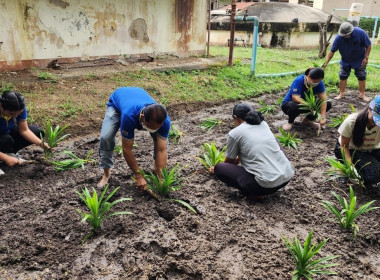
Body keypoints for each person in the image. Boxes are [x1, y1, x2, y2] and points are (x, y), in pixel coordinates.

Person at [210, 103, 294, 199]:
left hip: (264, 186)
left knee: (219, 168)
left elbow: (229, 162)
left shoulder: (235, 133)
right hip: (286, 177)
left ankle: (255, 194)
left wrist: (217, 170)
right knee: (274, 141)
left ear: (235, 117)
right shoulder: (263, 124)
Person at [98, 87, 171, 190]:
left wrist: (161, 180)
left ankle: (159, 174)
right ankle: (106, 175)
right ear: (142, 117)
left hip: (137, 95)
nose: (153, 130)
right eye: (150, 127)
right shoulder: (129, 116)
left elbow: (161, 149)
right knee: (106, 137)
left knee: (158, 139)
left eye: (157, 128)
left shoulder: (165, 121)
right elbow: (126, 149)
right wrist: (138, 175)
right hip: (118, 102)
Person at [334, 95, 380, 186]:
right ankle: (342, 167)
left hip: (373, 149)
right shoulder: (352, 121)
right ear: (369, 109)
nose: (376, 123)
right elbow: (344, 146)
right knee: (372, 176)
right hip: (352, 150)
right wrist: (350, 167)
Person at [0, 91, 48, 174]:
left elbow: (24, 130)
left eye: (19, 113)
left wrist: (41, 143)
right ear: (1, 106)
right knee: (5, 139)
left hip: (6, 133)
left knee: (37, 131)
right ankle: (4, 157)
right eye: (11, 114)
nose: (15, 116)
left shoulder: (19, 109)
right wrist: (6, 158)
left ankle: (9, 154)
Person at [322, 22, 372, 102]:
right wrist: (326, 63)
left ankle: (362, 94)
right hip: (345, 60)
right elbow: (332, 51)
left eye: (346, 35)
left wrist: (366, 57)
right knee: (343, 76)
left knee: (361, 76)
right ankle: (341, 94)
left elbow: (368, 45)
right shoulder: (338, 38)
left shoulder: (361, 33)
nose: (344, 36)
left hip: (359, 59)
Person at [281, 67, 332, 131]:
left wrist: (322, 117)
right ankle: (290, 122)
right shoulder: (299, 80)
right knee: (293, 105)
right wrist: (309, 105)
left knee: (328, 103)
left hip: (308, 105)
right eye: (314, 81)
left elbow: (323, 100)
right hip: (291, 105)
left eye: (318, 82)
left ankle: (307, 121)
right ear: (309, 76)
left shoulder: (319, 83)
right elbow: (295, 98)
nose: (315, 84)